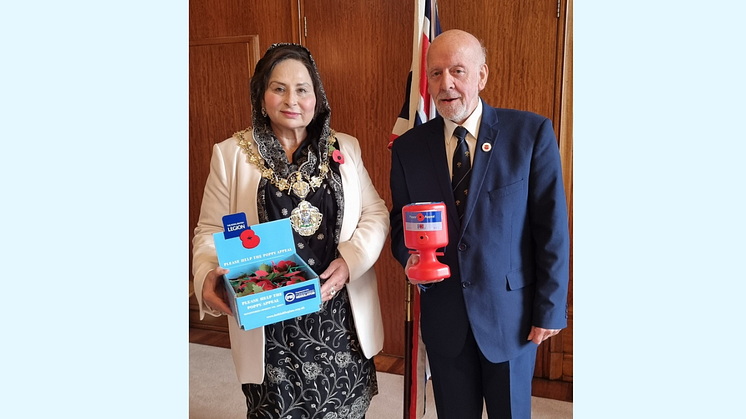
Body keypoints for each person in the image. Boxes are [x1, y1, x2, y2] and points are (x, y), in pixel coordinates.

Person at [192, 43, 389, 418]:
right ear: (261, 94)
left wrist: (351, 262)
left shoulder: (345, 148)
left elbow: (376, 214)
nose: (291, 100)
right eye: (278, 88)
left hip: (337, 312)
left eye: (302, 89)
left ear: (317, 95)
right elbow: (209, 230)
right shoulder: (231, 154)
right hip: (269, 322)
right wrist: (206, 276)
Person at [389, 30, 570, 419]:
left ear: (481, 75)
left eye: (458, 70)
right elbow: (398, 219)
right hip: (444, 316)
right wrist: (408, 259)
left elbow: (550, 227)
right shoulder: (408, 149)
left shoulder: (530, 134)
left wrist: (551, 308)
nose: (446, 83)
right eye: (435, 74)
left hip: (512, 317)